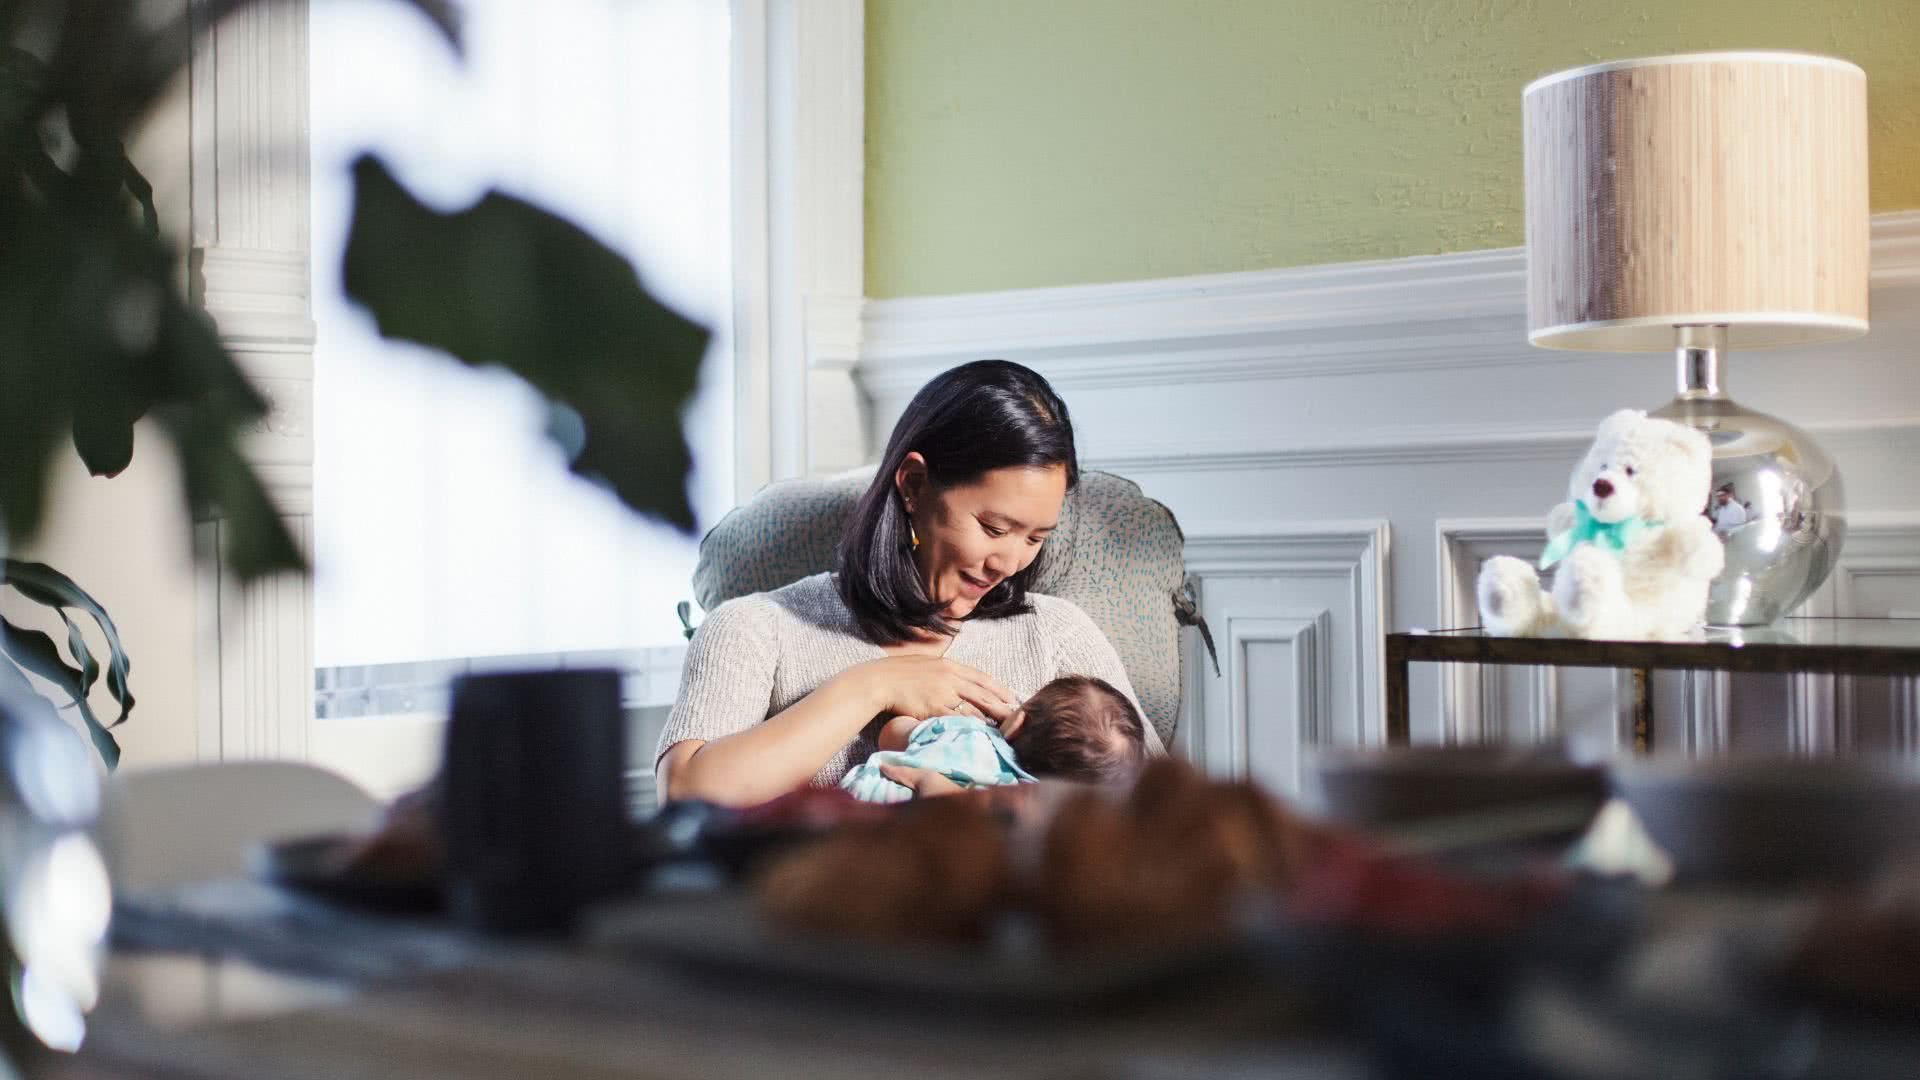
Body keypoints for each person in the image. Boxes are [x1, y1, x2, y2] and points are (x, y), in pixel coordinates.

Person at [656, 360, 1164, 807]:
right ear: (914, 485)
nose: (1008, 562)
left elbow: (1162, 818)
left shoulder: (1056, 635)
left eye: (1035, 537)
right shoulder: (756, 630)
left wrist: (986, 818)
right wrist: (873, 685)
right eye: (994, 528)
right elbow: (686, 796)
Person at [840, 674, 1149, 803]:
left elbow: (892, 735)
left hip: (867, 802)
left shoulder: (967, 732)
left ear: (1017, 722)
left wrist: (927, 723)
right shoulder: (1032, 810)